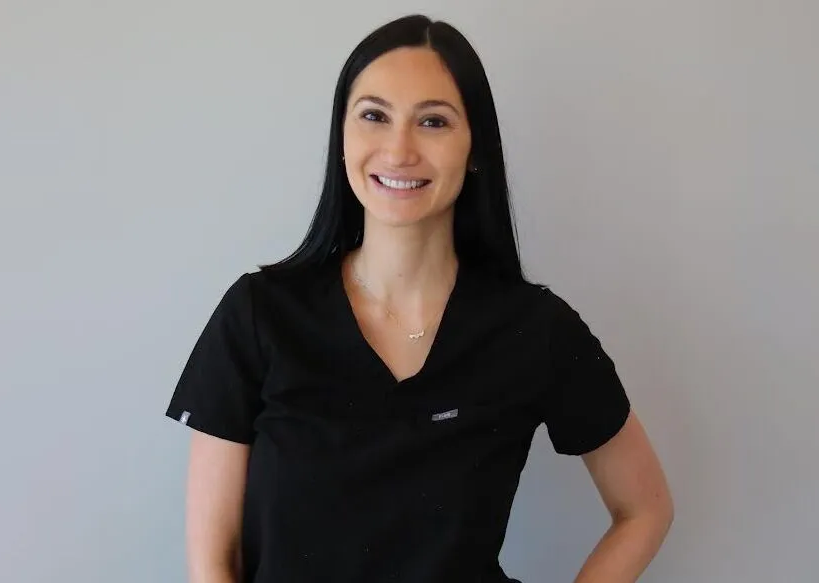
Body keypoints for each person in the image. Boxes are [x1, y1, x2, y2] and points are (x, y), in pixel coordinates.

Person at [165, 14, 673, 583]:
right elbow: (214, 561)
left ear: (475, 147)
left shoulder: (534, 330)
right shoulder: (260, 315)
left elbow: (645, 509)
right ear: (342, 138)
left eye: (433, 121)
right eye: (374, 116)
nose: (399, 149)